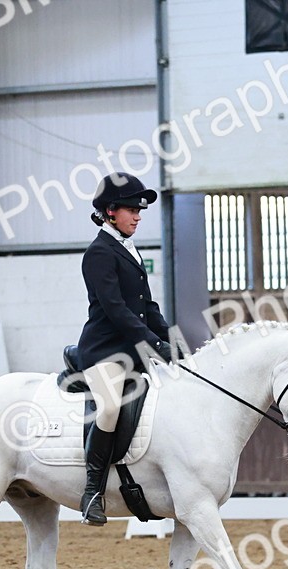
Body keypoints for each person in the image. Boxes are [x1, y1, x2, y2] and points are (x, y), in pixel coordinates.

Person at [75, 172, 173, 526]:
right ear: (110, 212)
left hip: (133, 350)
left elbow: (147, 306)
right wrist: (154, 344)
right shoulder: (98, 253)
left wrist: (173, 341)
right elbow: (117, 310)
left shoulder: (129, 249)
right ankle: (92, 491)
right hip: (105, 351)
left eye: (139, 211)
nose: (138, 216)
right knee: (111, 408)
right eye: (132, 210)